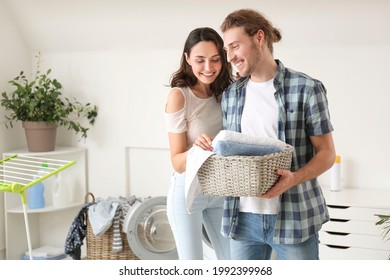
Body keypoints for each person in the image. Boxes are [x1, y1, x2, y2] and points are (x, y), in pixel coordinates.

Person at [219, 9, 336, 260]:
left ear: (259, 37)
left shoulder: (306, 88)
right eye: (227, 49)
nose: (230, 57)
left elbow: (327, 154)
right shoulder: (231, 95)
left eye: (235, 46)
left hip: (294, 218)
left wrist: (293, 178)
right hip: (242, 219)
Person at [164, 27, 233, 260]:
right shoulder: (179, 96)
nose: (208, 68)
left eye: (215, 60)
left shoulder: (226, 92)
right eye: (200, 60)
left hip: (220, 188)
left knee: (233, 262)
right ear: (187, 59)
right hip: (187, 192)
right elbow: (177, 162)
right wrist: (196, 149)